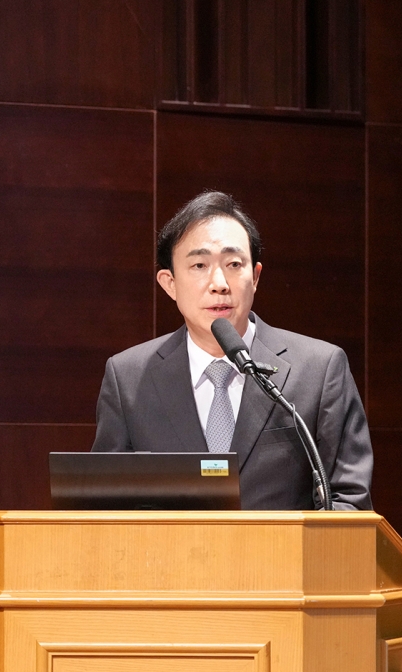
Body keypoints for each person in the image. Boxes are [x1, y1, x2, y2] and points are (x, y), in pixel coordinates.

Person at [92, 191, 373, 510]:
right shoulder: (128, 378)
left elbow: (350, 502)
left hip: (282, 559)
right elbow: (108, 506)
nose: (219, 283)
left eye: (234, 264)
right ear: (169, 283)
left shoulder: (319, 370)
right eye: (199, 264)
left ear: (254, 277)